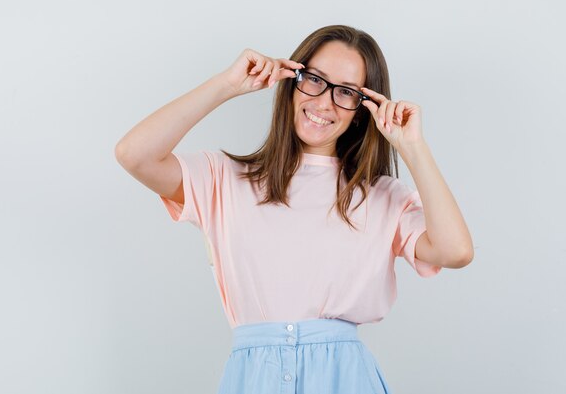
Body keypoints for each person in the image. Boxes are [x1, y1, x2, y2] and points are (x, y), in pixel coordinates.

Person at [115, 24, 474, 394]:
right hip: (253, 379)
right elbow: (134, 154)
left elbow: (456, 251)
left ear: (363, 109)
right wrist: (227, 85)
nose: (324, 103)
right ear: (293, 79)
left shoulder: (381, 197)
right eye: (315, 79)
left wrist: (412, 146)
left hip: (345, 379)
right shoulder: (224, 179)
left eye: (346, 92)